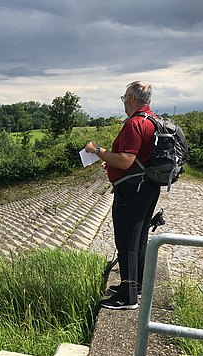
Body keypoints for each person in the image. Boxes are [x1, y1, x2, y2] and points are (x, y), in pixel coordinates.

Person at [85, 81, 160, 310]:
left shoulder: (134, 124)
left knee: (127, 239)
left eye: (123, 98)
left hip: (132, 191)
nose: (123, 102)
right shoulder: (153, 120)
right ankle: (134, 286)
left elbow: (126, 159)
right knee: (138, 237)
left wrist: (97, 151)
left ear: (131, 99)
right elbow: (136, 160)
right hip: (146, 188)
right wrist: (111, 162)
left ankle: (127, 298)